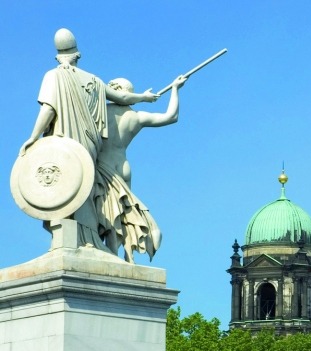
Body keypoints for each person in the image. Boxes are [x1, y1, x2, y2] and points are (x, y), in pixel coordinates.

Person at [19, 28, 159, 251]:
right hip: (88, 145)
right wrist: (144, 97)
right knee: (85, 188)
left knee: (65, 186)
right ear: (77, 55)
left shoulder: (53, 76)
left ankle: (70, 241)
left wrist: (33, 137)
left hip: (64, 142)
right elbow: (122, 97)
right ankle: (89, 238)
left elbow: (48, 110)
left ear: (58, 56)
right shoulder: (93, 80)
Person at [94, 75, 186, 261]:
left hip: (104, 166)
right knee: (124, 213)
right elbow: (171, 117)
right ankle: (128, 257)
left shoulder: (100, 112)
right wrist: (175, 89)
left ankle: (113, 256)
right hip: (123, 166)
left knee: (110, 214)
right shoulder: (136, 117)